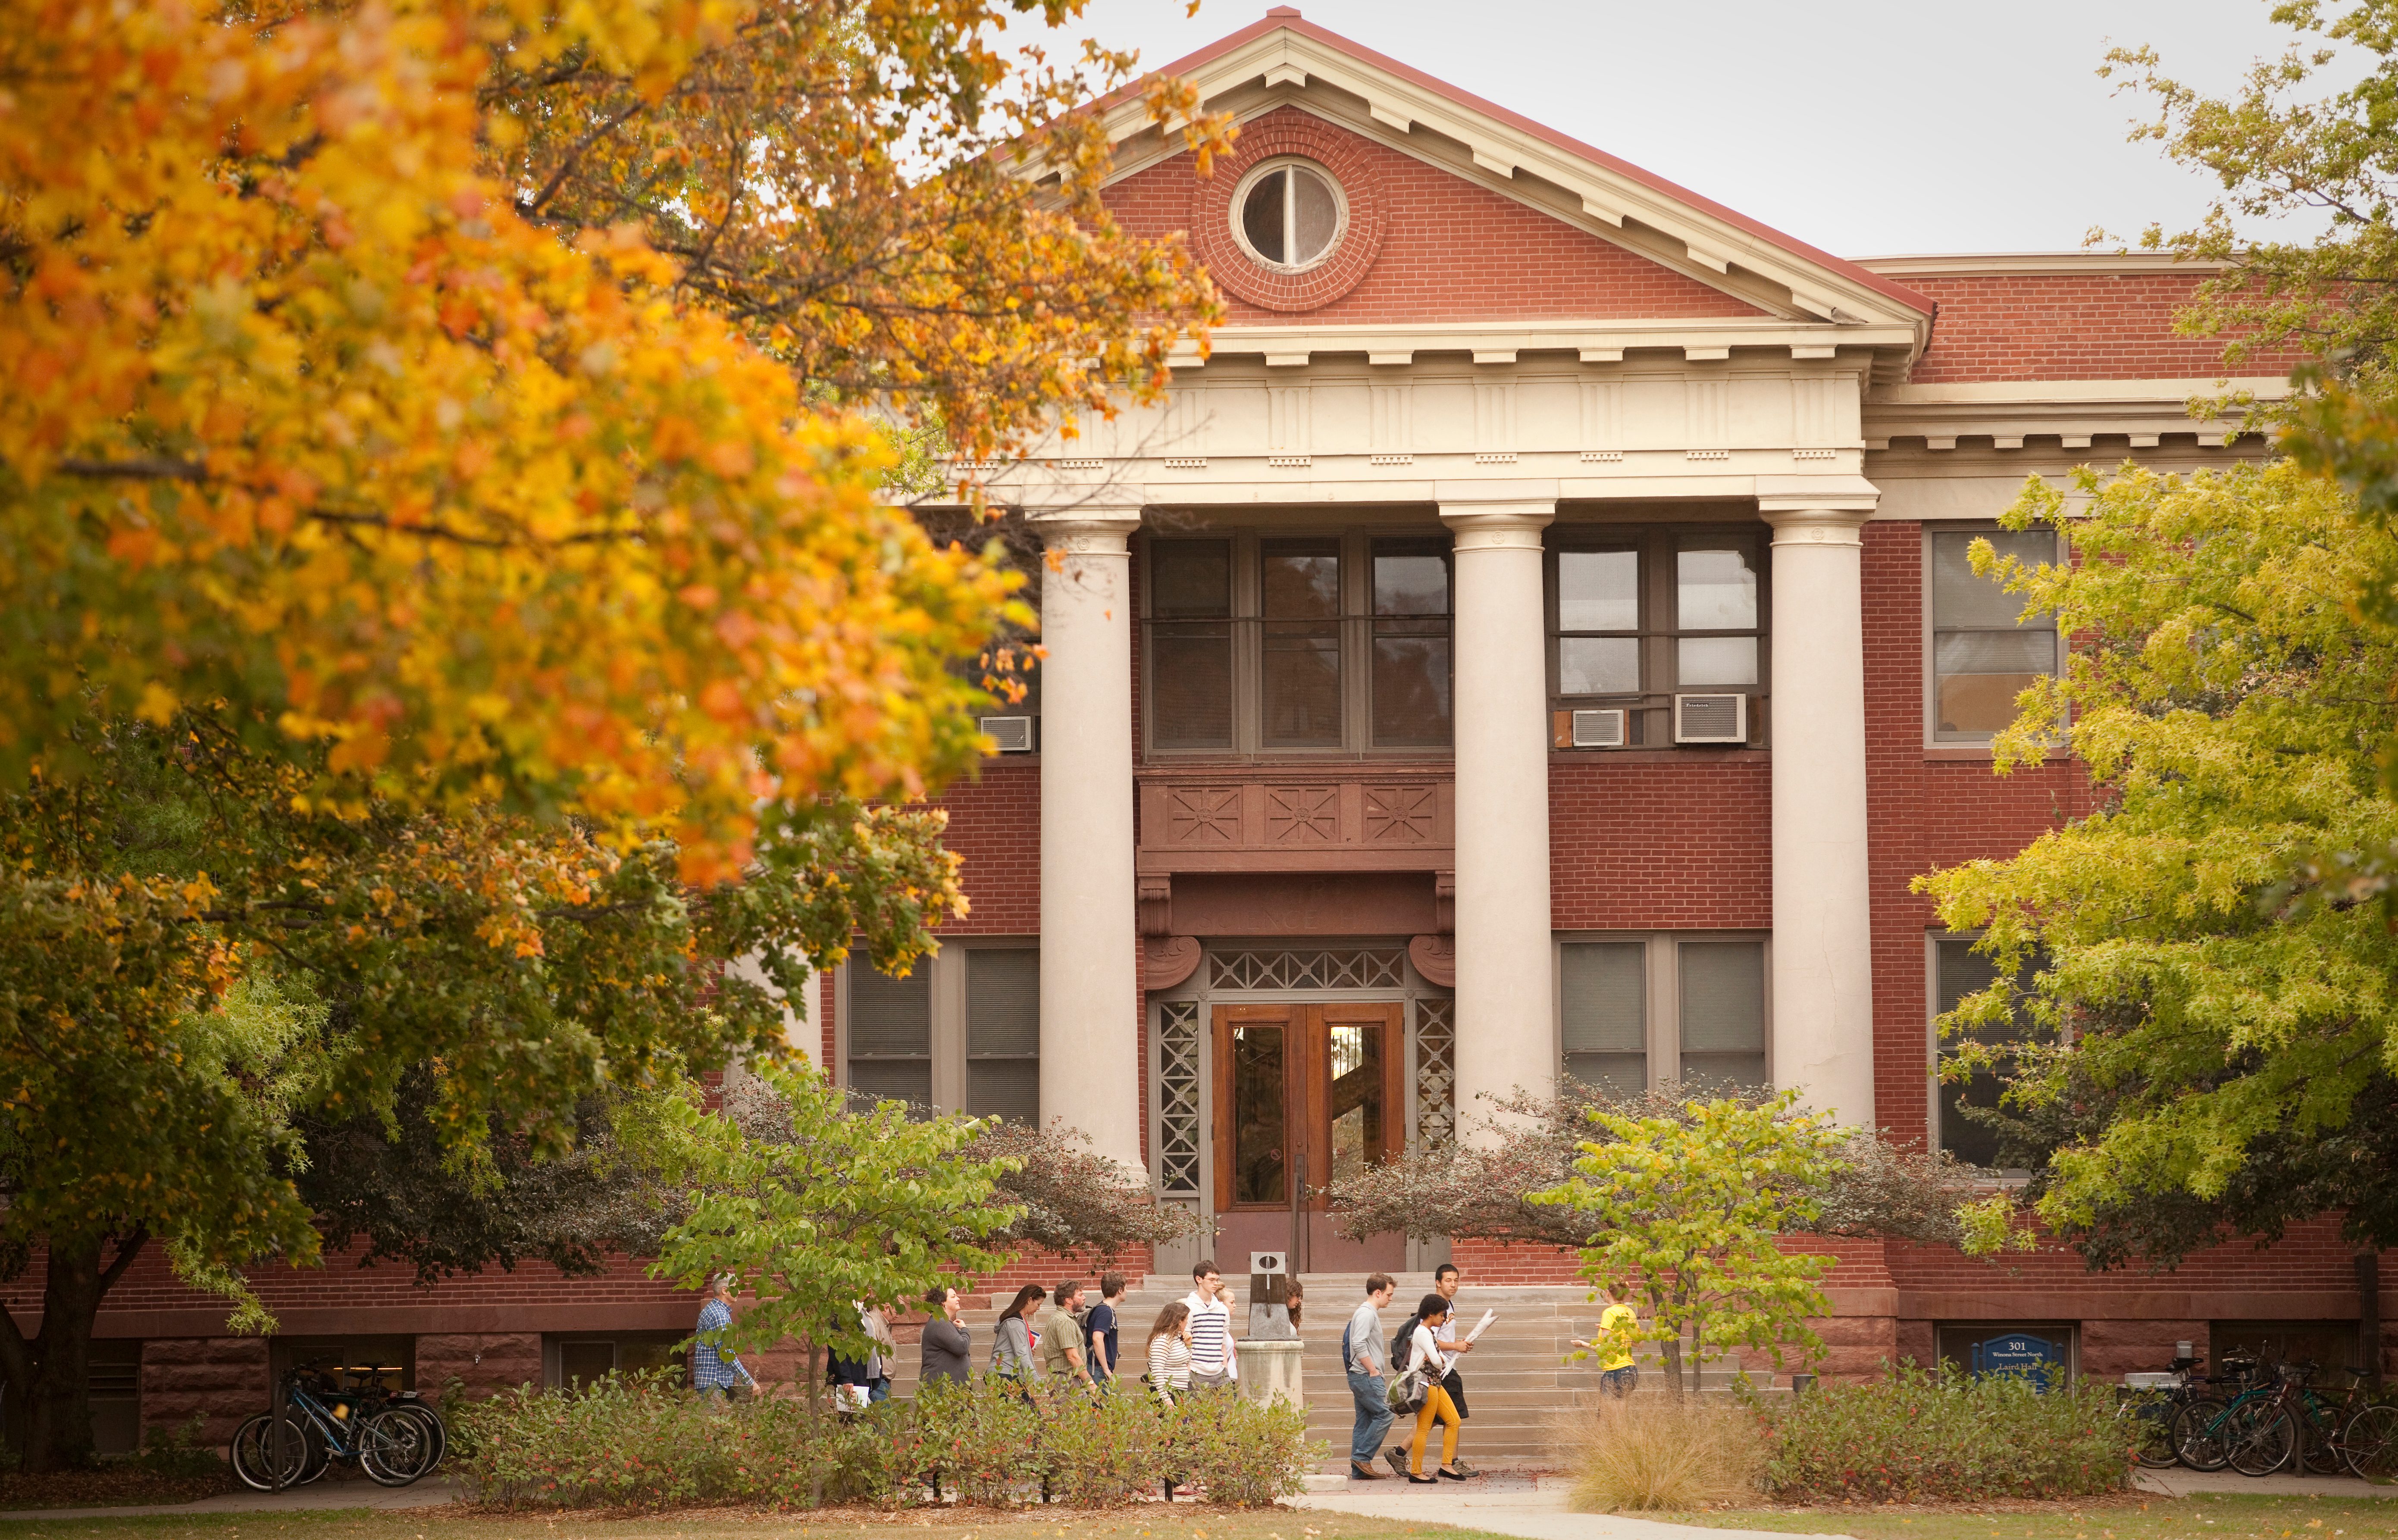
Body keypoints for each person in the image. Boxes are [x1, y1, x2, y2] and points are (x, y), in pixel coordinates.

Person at [1396, 1293, 1467, 1484]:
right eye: (1442, 1315)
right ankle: (1416, 1472)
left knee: (1454, 1420)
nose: (1444, 1319)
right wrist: (1440, 1359)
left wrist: (1439, 1359)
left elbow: (1437, 1359)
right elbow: (1437, 1360)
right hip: (1426, 1384)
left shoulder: (1429, 1333)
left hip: (1435, 1383)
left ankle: (1446, 1465)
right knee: (1424, 1429)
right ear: (1431, 1314)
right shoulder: (1422, 1332)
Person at [1342, 1272, 1397, 1481]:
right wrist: (1373, 1370)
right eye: (1389, 1294)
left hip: (1360, 1375)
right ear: (1378, 1292)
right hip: (1366, 1375)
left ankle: (1359, 1470)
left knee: (1364, 1422)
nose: (1390, 1299)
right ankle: (1362, 1457)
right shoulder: (1367, 1313)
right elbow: (1358, 1343)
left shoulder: (1365, 1312)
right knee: (1386, 1414)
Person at [691, 1274, 757, 1402]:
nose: (739, 1292)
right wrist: (749, 1382)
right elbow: (727, 1353)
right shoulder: (719, 1314)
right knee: (715, 1423)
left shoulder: (713, 1310)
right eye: (735, 1288)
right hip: (715, 1383)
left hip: (713, 1382)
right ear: (724, 1291)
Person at [1572, 1282, 1640, 1399]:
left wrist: (1583, 1344)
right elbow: (1639, 1343)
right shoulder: (1630, 1312)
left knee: (1609, 1416)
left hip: (1616, 1370)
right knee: (1620, 1416)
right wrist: (1615, 1330)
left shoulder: (1609, 1313)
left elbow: (1603, 1348)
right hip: (1630, 1371)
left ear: (1608, 1293)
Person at [1431, 1262, 1475, 1427]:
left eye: (1456, 1281)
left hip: (1448, 1366)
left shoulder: (1449, 1304)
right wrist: (1456, 1347)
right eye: (1448, 1281)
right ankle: (1453, 1454)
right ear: (1438, 1283)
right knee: (1453, 1418)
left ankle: (1399, 1452)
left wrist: (1459, 1344)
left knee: (1434, 1419)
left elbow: (1444, 1336)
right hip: (1442, 1368)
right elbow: (1430, 1340)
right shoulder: (1435, 1306)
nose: (1453, 1285)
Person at [1183, 1260, 1238, 1389]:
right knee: (1198, 1409)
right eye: (1212, 1280)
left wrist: (1225, 1367)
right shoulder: (1189, 1308)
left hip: (1220, 1372)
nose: (1216, 1284)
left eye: (1217, 1280)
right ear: (1199, 1279)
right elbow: (1184, 1341)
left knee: (1226, 1409)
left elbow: (1223, 1343)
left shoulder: (1222, 1309)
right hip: (1196, 1371)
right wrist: (1188, 1369)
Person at [1039, 1279, 1093, 1386]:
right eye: (1080, 1295)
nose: (1084, 1298)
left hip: (1067, 1379)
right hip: (1066, 1380)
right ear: (1069, 1300)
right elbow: (1073, 1357)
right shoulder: (1065, 1321)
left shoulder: (1063, 1318)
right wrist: (1090, 1384)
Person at [990, 1283, 1046, 1382]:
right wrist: (1037, 1381)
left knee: (1026, 1398)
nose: (1038, 1308)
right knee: (1027, 1398)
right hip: (1004, 1373)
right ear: (1029, 1300)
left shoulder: (1019, 1320)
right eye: (1038, 1304)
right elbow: (1021, 1354)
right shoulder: (1015, 1322)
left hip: (1007, 1373)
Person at [920, 1285, 973, 1387]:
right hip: (942, 1391)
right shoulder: (940, 1323)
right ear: (943, 1302)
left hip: (948, 1390)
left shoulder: (943, 1322)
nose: (958, 1299)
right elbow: (962, 1347)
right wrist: (964, 1330)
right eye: (953, 1297)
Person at [1145, 1301, 1193, 1404]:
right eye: (1186, 1320)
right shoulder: (1162, 1340)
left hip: (1179, 1391)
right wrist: (1166, 1398)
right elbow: (1157, 1372)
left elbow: (1186, 1362)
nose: (1187, 1323)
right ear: (1180, 1322)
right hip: (1167, 1393)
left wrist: (1188, 1345)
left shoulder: (1176, 1338)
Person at [1086, 1274, 1125, 1387]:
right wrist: (1106, 1370)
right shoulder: (1106, 1312)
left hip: (1097, 1369)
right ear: (1120, 1290)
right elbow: (1097, 1338)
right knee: (1110, 1404)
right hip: (1098, 1370)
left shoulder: (1102, 1309)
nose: (1127, 1291)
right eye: (1126, 1288)